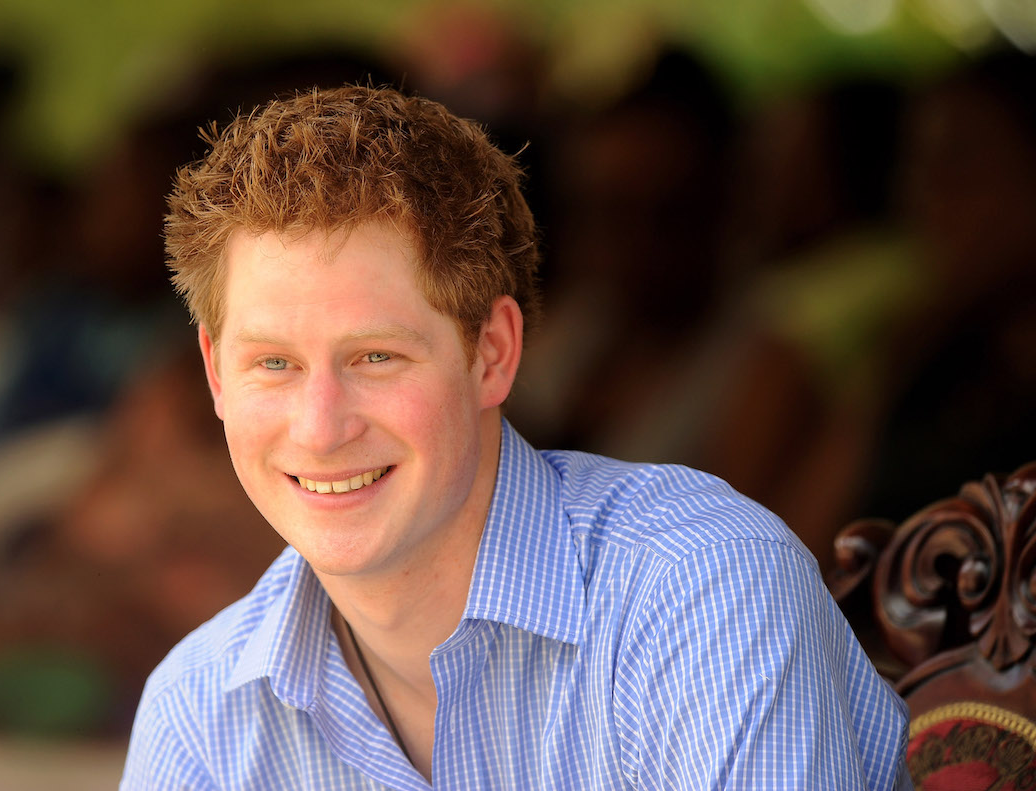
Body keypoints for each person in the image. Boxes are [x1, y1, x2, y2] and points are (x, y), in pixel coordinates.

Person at [120, 85, 911, 789]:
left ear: (491, 352)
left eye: (377, 356)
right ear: (217, 376)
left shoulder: (699, 592)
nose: (322, 427)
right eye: (274, 363)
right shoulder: (199, 710)